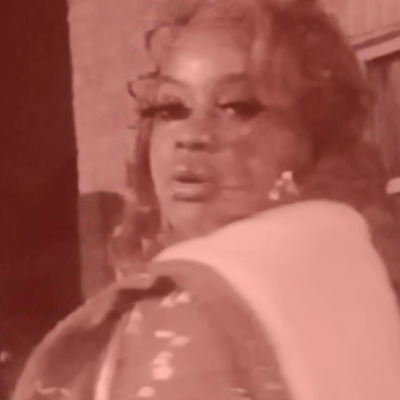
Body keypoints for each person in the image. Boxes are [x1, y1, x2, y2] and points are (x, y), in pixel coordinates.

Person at [11, 0, 400, 399]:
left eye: (236, 107)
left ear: (311, 139)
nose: (191, 136)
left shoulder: (182, 309)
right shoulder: (358, 280)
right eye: (170, 108)